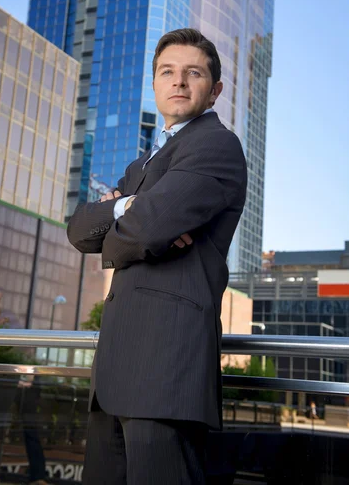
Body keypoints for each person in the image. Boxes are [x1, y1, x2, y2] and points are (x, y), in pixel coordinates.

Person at [67, 28, 247, 484]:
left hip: (167, 369)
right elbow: (78, 229)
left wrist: (129, 220)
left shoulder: (216, 146)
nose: (179, 82)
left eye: (194, 73)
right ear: (155, 85)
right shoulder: (140, 166)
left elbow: (147, 229)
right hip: (115, 374)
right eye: (168, 72)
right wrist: (128, 207)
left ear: (215, 90)